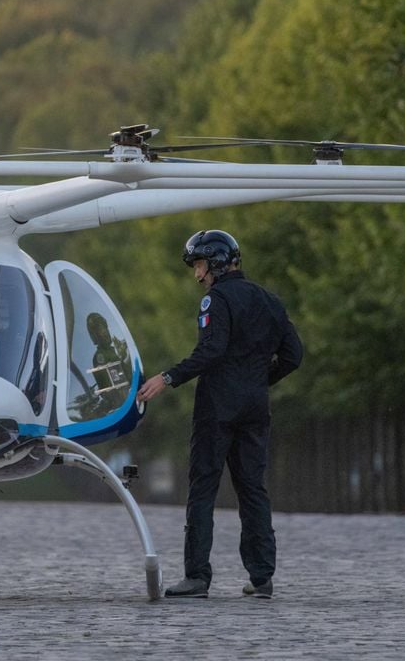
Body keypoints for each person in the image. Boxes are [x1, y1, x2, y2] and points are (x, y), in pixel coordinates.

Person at [137, 229, 302, 600]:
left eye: (198, 265)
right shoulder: (270, 300)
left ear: (215, 263)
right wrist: (257, 381)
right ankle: (262, 578)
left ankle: (197, 577)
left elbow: (211, 351)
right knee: (253, 489)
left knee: (203, 490)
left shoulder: (217, 299)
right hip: (256, 407)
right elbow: (294, 355)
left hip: (217, 409)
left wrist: (168, 377)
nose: (197, 275)